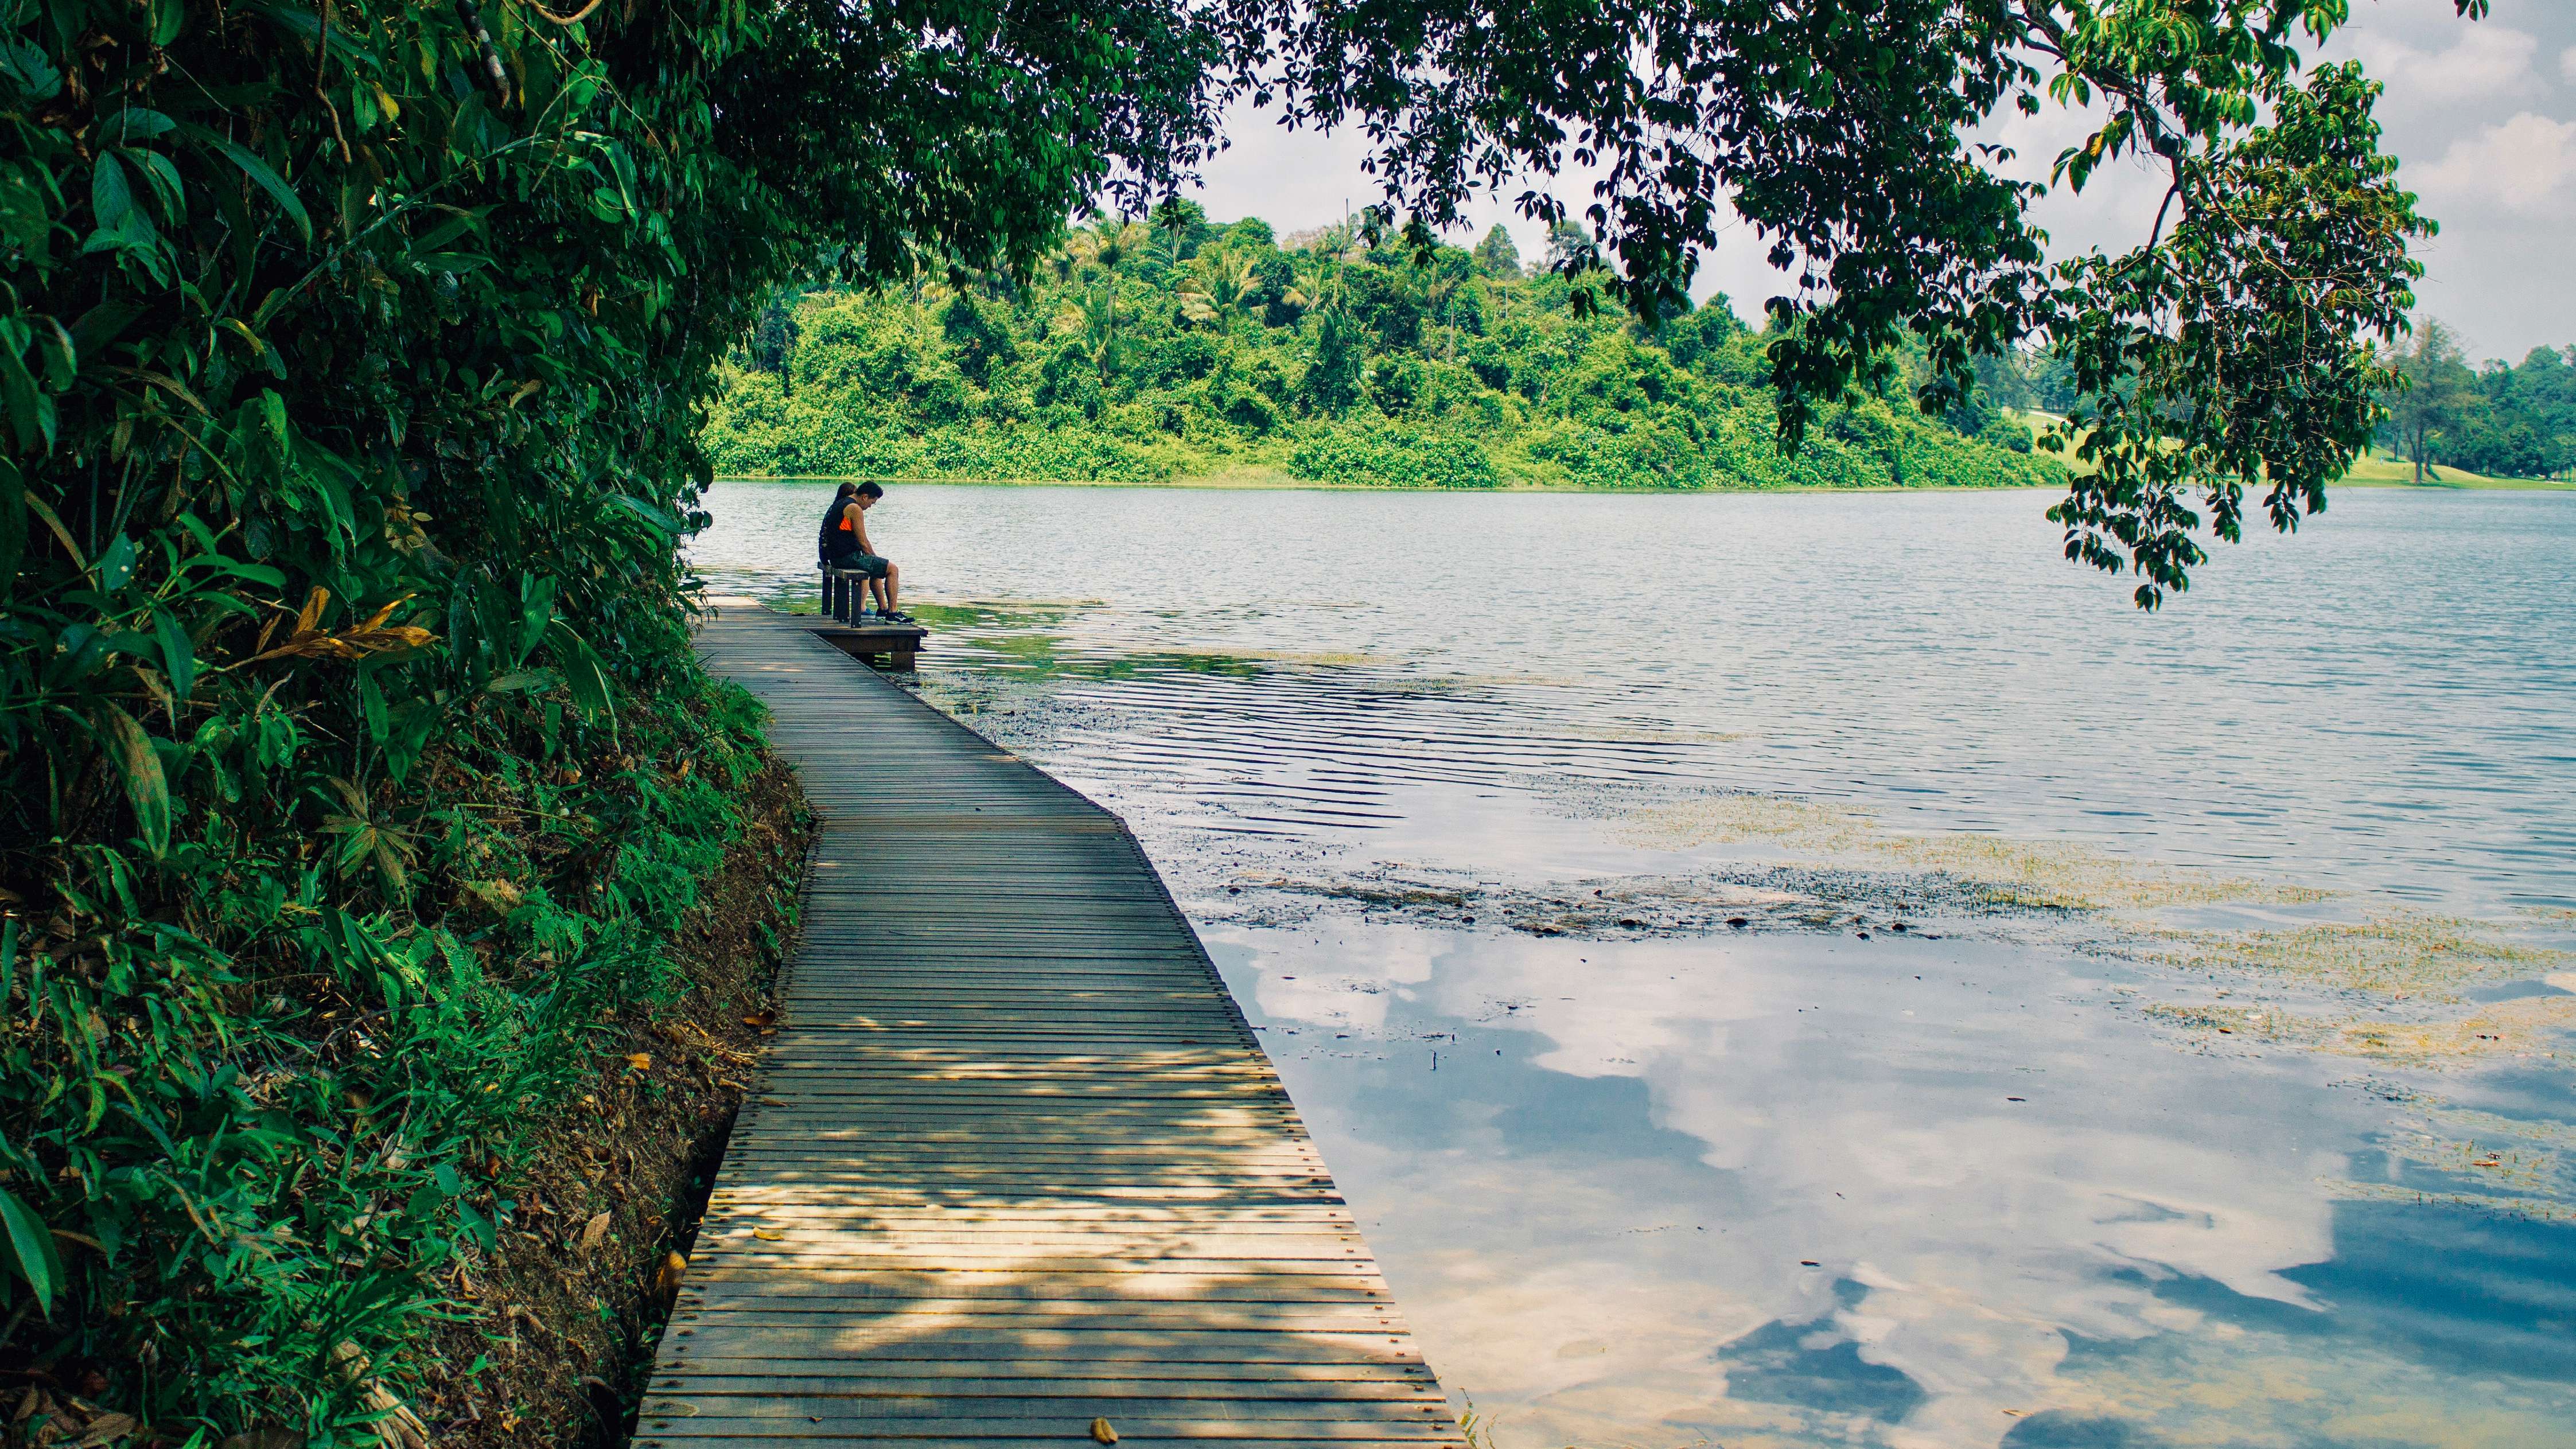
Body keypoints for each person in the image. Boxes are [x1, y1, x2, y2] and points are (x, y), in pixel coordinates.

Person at [817, 481, 909, 622]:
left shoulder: (840, 503)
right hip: (847, 558)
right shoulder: (855, 508)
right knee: (892, 570)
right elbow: (863, 542)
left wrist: (875, 560)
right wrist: (874, 558)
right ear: (865, 497)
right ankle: (893, 613)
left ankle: (883, 610)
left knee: (878, 567)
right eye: (872, 503)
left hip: (835, 557)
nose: (870, 507)